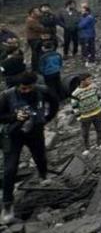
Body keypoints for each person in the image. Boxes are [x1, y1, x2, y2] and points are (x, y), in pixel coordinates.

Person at [0, 71, 59, 224]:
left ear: (33, 85)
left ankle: (43, 175)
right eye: (22, 88)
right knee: (10, 169)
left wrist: (46, 118)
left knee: (40, 156)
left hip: (35, 131)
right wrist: (14, 117)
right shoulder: (7, 96)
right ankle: (7, 205)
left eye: (28, 88)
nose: (25, 91)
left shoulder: (42, 91)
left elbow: (54, 103)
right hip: (14, 135)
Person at [70, 73, 101, 151]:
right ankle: (87, 148)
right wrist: (79, 117)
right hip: (85, 116)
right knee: (85, 133)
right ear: (82, 81)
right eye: (89, 79)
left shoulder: (94, 87)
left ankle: (100, 144)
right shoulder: (76, 93)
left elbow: (98, 97)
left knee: (100, 129)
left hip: (98, 112)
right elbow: (74, 106)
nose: (91, 81)